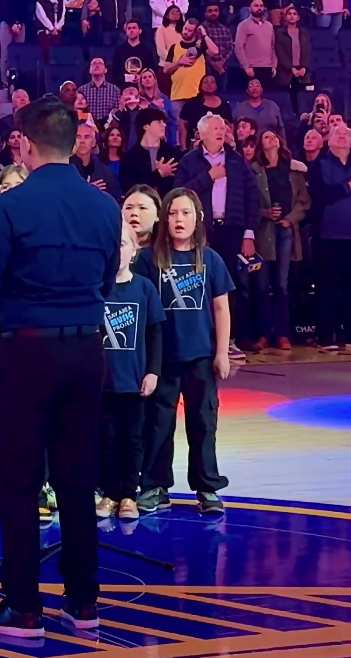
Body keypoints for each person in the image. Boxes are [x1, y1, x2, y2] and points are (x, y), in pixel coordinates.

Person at [0, 96, 119, 637]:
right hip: (87, 351)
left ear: (25, 144)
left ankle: (23, 607)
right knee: (77, 477)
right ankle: (83, 604)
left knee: (18, 480)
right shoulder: (106, 207)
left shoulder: (12, 205)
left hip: (28, 349)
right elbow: (106, 283)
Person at [132, 188, 233, 515]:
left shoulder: (211, 259)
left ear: (198, 218)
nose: (178, 220)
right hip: (162, 360)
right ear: (164, 218)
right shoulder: (149, 260)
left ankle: (207, 487)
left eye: (185, 213)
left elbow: (221, 309)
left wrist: (222, 352)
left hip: (200, 357)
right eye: (173, 213)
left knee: (203, 422)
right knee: (158, 424)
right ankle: (154, 486)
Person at [174, 113, 261, 355]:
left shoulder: (237, 161)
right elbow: (179, 194)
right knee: (200, 286)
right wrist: (208, 177)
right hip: (201, 232)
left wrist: (249, 234)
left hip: (232, 230)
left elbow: (251, 198)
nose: (220, 131)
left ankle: (233, 338)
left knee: (234, 285)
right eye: (214, 128)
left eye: (222, 127)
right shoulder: (189, 161)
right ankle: (203, 340)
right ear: (201, 133)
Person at [97, 222, 164, 521]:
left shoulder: (144, 288)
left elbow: (155, 334)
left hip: (134, 382)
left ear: (135, 250)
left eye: (124, 244)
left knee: (133, 438)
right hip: (102, 382)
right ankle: (109, 493)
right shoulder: (96, 289)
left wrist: (153, 372)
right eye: (113, 244)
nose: (118, 251)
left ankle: (129, 495)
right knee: (106, 438)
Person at [251, 129, 308, 350]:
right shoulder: (254, 171)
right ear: (261, 145)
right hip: (263, 232)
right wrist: (264, 213)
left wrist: (289, 219)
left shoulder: (293, 170)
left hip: (285, 230)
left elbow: (304, 200)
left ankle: (283, 334)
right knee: (263, 286)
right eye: (266, 137)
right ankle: (264, 334)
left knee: (282, 285)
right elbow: (247, 201)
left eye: (274, 136)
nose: (271, 138)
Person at [308, 123, 351, 351]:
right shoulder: (319, 165)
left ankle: (348, 335)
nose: (343, 137)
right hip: (327, 235)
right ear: (329, 140)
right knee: (326, 287)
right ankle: (326, 337)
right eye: (338, 134)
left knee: (349, 288)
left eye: (346, 134)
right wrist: (347, 187)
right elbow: (320, 193)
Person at [120, 108, 183, 198]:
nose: (164, 125)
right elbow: (129, 187)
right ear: (146, 126)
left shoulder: (173, 153)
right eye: (158, 122)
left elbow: (179, 183)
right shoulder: (129, 157)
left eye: (163, 122)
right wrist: (159, 174)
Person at [164, 19, 219, 120]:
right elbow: (166, 70)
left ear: (195, 32)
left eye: (189, 30)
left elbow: (215, 51)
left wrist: (204, 35)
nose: (185, 32)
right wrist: (179, 62)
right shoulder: (174, 47)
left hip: (197, 95)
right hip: (177, 96)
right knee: (177, 130)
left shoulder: (201, 47)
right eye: (185, 28)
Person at [274, 6, 311, 116]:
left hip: (302, 70)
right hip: (286, 71)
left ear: (298, 17)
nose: (292, 16)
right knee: (288, 96)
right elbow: (279, 51)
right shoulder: (280, 33)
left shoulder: (304, 32)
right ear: (285, 17)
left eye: (294, 14)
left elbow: (307, 50)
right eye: (289, 13)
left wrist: (304, 66)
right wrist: (291, 68)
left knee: (301, 96)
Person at [178, 75, 231, 149]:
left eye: (212, 82)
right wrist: (183, 147)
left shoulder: (224, 105)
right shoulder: (191, 104)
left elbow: (230, 126)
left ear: (216, 85)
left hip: (220, 146)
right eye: (205, 82)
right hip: (195, 146)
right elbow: (183, 125)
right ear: (200, 86)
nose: (209, 84)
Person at [71, 122, 121, 198]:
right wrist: (87, 190)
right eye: (78, 137)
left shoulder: (105, 172)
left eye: (87, 137)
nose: (82, 141)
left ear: (94, 142)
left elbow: (115, 200)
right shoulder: (64, 168)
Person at [235, 0, 276, 86]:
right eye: (256, 6)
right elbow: (239, 47)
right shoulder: (243, 25)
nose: (259, 8)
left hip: (267, 68)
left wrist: (274, 65)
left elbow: (272, 47)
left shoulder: (269, 26)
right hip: (251, 68)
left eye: (261, 6)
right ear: (250, 8)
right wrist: (246, 67)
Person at [112, 19, 158, 87]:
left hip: (143, 88)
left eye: (134, 28)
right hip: (123, 87)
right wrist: (124, 78)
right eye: (129, 28)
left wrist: (142, 77)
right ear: (126, 32)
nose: (131, 30)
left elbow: (152, 70)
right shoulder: (119, 50)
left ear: (140, 31)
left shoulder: (147, 51)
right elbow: (114, 71)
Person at [77, 58, 121, 124]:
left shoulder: (115, 90)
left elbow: (117, 111)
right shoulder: (82, 90)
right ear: (89, 70)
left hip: (108, 128)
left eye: (100, 63)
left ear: (106, 70)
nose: (97, 66)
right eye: (94, 64)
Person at [201, 2, 235, 83]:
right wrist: (213, 64)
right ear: (205, 13)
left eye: (216, 10)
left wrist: (222, 62)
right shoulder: (201, 29)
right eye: (210, 11)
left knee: (224, 94)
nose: (213, 13)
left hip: (223, 68)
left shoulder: (225, 29)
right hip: (206, 69)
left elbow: (230, 48)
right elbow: (201, 49)